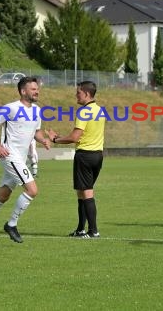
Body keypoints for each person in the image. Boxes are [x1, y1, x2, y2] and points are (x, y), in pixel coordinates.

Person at [0, 77, 50, 245]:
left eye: (37, 88)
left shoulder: (37, 110)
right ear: (23, 91)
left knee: (4, 194)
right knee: (32, 190)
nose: (37, 91)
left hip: (20, 158)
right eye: (33, 89)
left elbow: (36, 132)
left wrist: (44, 140)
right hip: (10, 155)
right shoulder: (11, 108)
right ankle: (11, 224)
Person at [46, 81, 106, 239]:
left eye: (78, 92)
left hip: (85, 155)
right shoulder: (99, 110)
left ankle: (93, 231)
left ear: (86, 94)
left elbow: (75, 137)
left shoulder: (84, 112)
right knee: (81, 193)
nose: (76, 95)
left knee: (86, 193)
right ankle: (81, 229)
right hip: (97, 155)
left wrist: (55, 139)